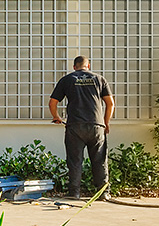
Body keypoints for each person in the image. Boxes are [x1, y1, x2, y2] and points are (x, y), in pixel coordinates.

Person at [48, 55, 115, 200]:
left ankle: (74, 193)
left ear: (74, 67)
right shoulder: (99, 79)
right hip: (96, 125)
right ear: (88, 66)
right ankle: (103, 193)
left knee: (74, 160)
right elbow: (110, 103)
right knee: (99, 160)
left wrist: (56, 117)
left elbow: (52, 102)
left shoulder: (67, 79)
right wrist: (106, 122)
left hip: (75, 126)